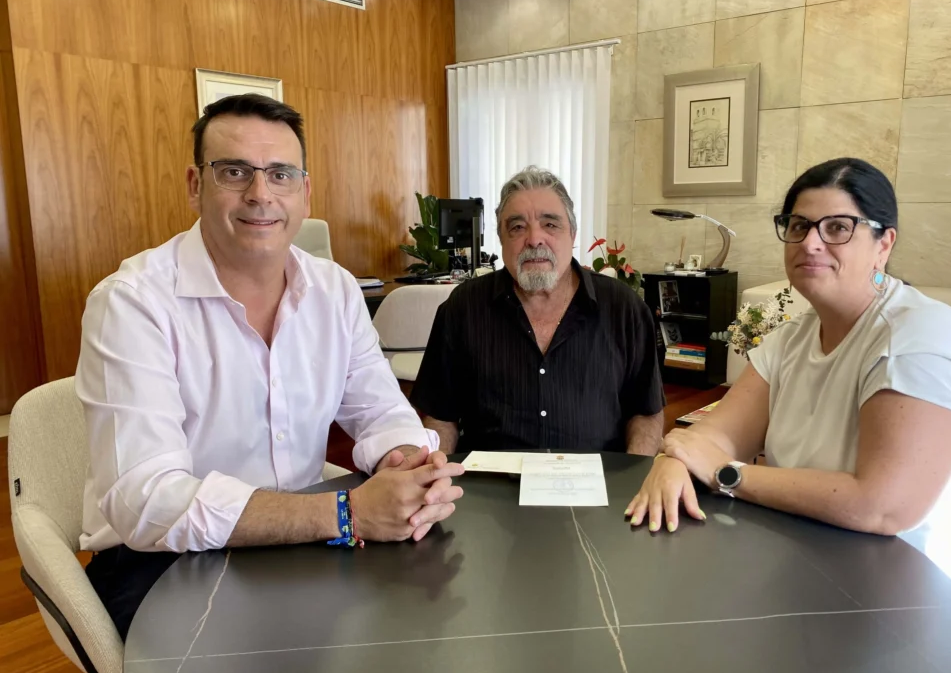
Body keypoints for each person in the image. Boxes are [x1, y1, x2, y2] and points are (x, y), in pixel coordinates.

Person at [76, 94, 464, 639]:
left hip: (302, 540)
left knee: (411, 633)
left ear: (304, 192)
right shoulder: (132, 303)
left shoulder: (334, 291)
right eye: (234, 172)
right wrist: (347, 514)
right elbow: (146, 502)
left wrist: (407, 464)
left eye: (280, 174)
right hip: (164, 561)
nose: (260, 194)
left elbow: (380, 410)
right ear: (195, 185)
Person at [626, 157, 951, 636]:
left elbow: (882, 505)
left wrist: (725, 473)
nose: (810, 242)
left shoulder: (919, 340)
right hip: (829, 567)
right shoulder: (794, 337)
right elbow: (716, 435)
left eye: (837, 227)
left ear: (884, 244)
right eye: (799, 225)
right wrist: (675, 460)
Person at [411, 166, 664, 455]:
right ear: (502, 240)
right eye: (517, 227)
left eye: (550, 224)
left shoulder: (624, 309)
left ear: (573, 234)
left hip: (599, 479)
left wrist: (634, 478)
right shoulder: (463, 308)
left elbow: (647, 413)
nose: (534, 239)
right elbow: (441, 417)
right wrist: (438, 471)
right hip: (488, 479)